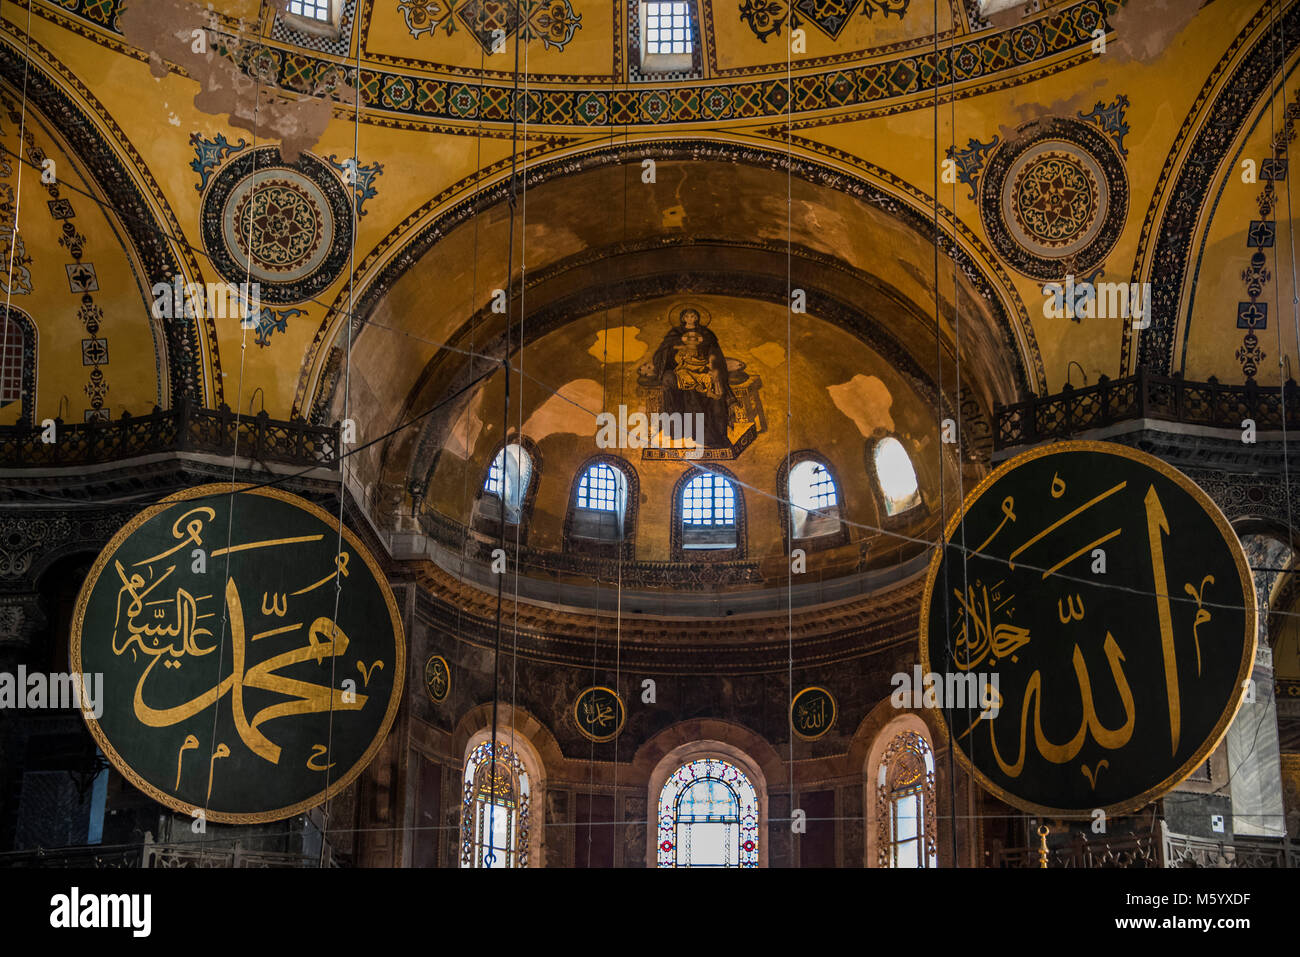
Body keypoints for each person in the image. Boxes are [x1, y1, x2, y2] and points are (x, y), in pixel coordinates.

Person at [640, 308, 737, 448]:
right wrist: (676, 349)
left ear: (697, 318)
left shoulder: (707, 334)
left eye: (693, 316)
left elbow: (715, 355)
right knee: (680, 384)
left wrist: (711, 366)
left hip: (702, 368)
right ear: (683, 318)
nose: (690, 318)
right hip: (682, 370)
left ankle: (713, 434)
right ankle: (680, 429)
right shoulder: (674, 334)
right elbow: (662, 354)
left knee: (713, 388)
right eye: (687, 316)